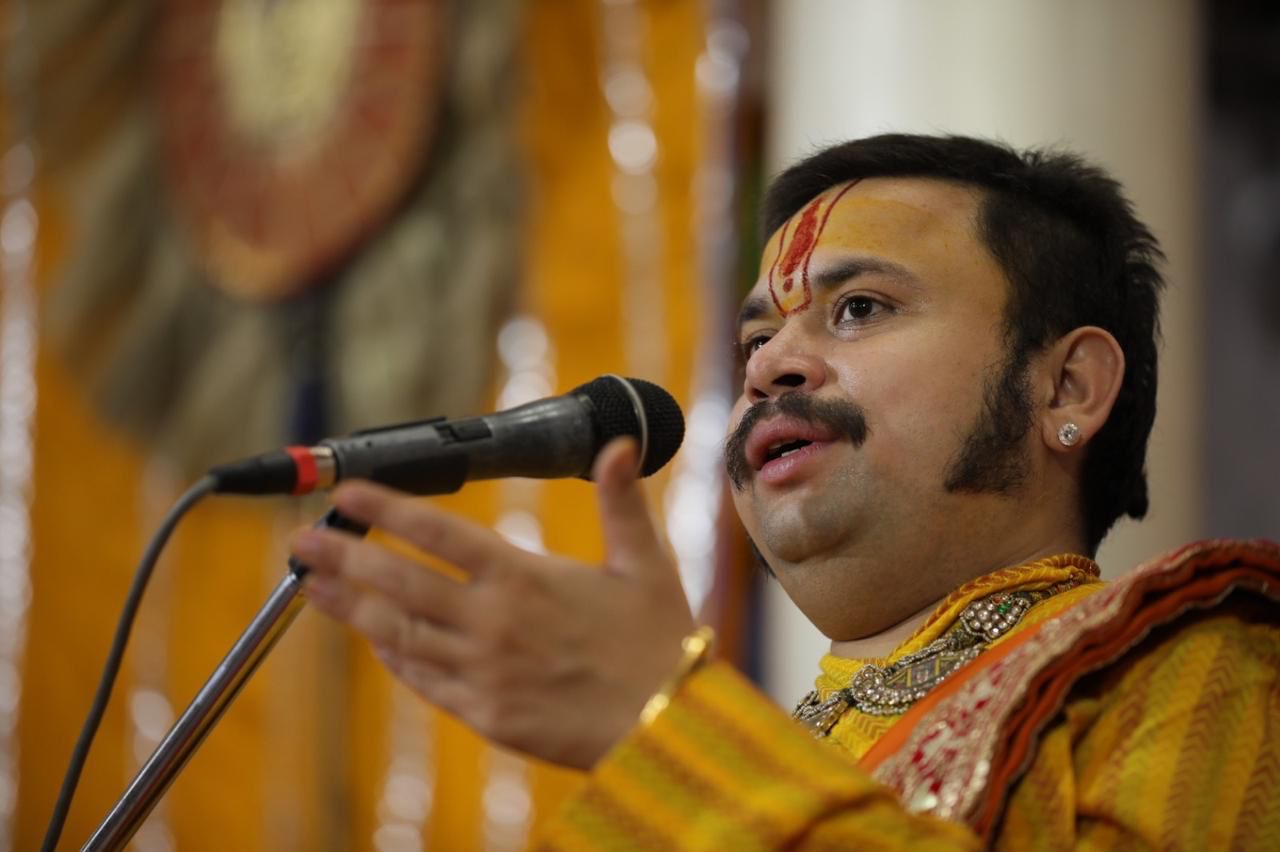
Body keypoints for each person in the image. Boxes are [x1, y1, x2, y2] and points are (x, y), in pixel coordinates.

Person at [290, 134, 1280, 848]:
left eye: (857, 308)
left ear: (1064, 387)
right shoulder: (745, 743)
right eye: (757, 339)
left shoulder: (1205, 674)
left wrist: (668, 728)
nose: (770, 370)